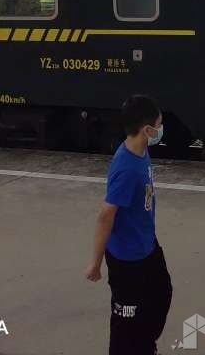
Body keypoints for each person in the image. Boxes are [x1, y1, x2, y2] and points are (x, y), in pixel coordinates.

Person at [87, 95, 173, 355]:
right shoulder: (126, 169)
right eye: (159, 124)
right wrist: (95, 263)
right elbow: (105, 216)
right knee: (126, 322)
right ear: (147, 130)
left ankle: (144, 345)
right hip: (127, 260)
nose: (161, 128)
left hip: (147, 245)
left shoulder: (141, 150)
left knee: (161, 294)